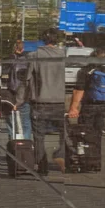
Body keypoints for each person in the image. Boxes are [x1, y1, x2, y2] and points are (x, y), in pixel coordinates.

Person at [67, 48, 105, 172]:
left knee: (84, 132)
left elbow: (79, 91)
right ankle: (95, 161)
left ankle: (84, 159)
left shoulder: (86, 71)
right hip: (102, 106)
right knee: (97, 134)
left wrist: (73, 108)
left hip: (88, 105)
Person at [27, 28, 66, 174]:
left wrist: (18, 101)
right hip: (60, 103)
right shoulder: (64, 55)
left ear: (42, 39)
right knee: (64, 133)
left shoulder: (34, 56)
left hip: (41, 102)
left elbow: (27, 79)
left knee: (39, 137)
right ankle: (61, 155)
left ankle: (42, 167)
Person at [3, 40, 32, 140]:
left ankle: (13, 146)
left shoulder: (10, 60)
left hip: (11, 95)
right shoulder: (29, 61)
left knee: (11, 123)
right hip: (25, 96)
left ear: (15, 48)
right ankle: (26, 147)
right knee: (25, 124)